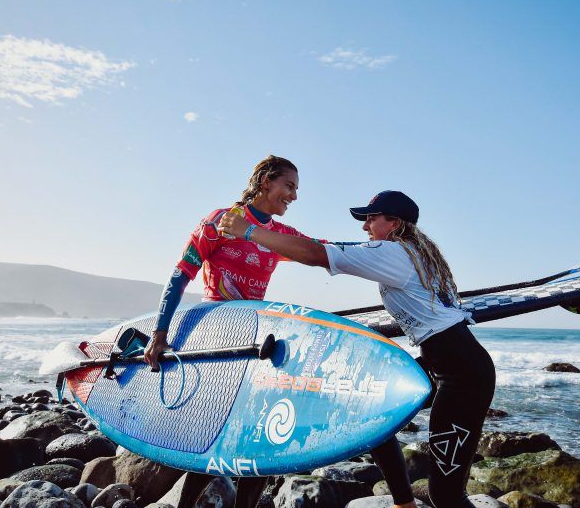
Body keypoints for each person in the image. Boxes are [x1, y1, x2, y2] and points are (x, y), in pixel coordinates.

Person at [218, 190, 496, 508]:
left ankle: (406, 501)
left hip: (462, 375)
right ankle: (403, 502)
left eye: (370, 218)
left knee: (446, 495)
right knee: (373, 408)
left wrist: (249, 231)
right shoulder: (412, 252)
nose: (365, 226)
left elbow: (316, 254)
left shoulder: (393, 254)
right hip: (446, 361)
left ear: (393, 223)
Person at [143, 155, 306, 508]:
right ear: (266, 182)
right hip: (218, 335)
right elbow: (180, 275)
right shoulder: (221, 221)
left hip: (255, 337)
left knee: (260, 436)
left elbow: (320, 250)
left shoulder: (278, 234)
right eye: (288, 186)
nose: (293, 195)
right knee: (215, 431)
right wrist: (159, 333)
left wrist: (378, 248)